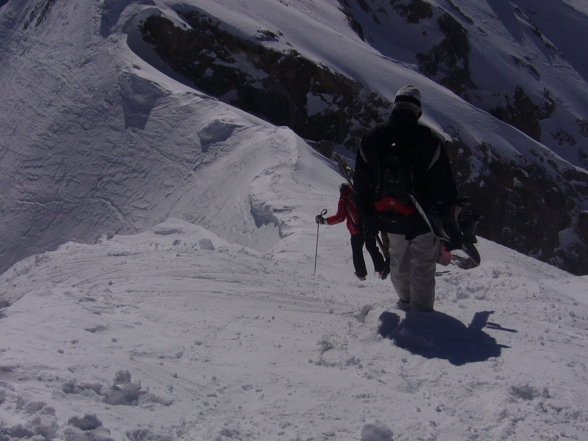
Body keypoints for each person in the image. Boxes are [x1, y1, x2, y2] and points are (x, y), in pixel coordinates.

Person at [353, 85, 460, 311]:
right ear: (417, 111)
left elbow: (361, 184)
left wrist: (367, 219)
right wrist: (450, 226)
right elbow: (444, 188)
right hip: (422, 220)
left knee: (399, 262)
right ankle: (421, 314)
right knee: (423, 266)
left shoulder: (372, 137)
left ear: (395, 107)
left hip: (387, 216)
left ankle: (404, 302)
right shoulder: (430, 141)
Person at [316, 183, 386, 280]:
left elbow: (340, 217)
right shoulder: (360, 195)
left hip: (356, 230)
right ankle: (381, 270)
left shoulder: (344, 199)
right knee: (372, 247)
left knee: (357, 252)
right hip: (369, 227)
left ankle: (361, 275)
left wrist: (324, 221)